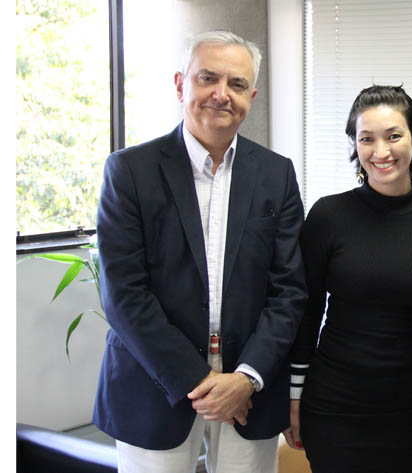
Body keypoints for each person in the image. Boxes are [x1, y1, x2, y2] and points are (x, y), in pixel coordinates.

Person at [93, 31, 306, 473]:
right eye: (208, 78)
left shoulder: (277, 175)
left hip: (249, 386)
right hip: (154, 383)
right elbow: (124, 294)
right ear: (180, 84)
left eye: (237, 84)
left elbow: (289, 291)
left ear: (251, 96)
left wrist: (245, 378)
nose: (221, 94)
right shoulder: (129, 171)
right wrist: (202, 381)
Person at [284, 85, 412, 472]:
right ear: (355, 145)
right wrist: (293, 395)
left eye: (393, 136)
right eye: (367, 139)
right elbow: (306, 312)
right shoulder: (329, 216)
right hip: (335, 405)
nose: (381, 151)